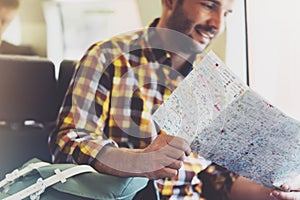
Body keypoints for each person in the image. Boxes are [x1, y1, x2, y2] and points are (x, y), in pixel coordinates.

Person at [49, 0, 274, 199]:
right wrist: (139, 162)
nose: (217, 24)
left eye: (226, 14)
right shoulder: (109, 57)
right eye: (209, 5)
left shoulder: (212, 85)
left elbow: (216, 176)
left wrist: (269, 192)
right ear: (170, 1)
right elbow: (68, 142)